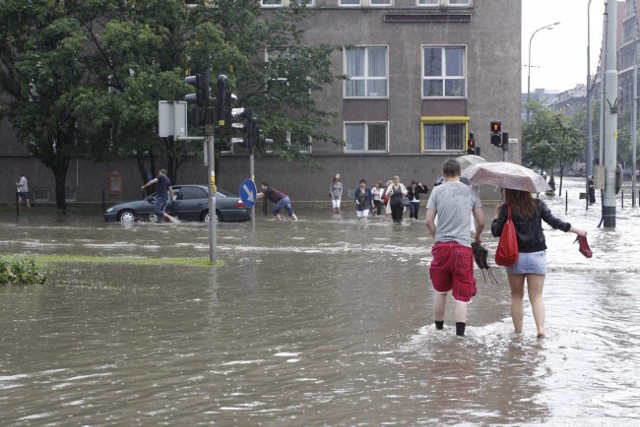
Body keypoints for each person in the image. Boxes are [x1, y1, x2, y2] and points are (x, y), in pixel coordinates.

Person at [491, 189, 587, 338]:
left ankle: (518, 332)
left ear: (509, 191)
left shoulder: (506, 208)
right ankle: (540, 329)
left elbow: (496, 232)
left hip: (515, 257)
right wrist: (577, 230)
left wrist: (497, 216)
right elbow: (555, 222)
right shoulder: (538, 205)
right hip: (537, 255)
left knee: (516, 296)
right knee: (537, 297)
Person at [425, 159, 484, 337]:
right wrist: (478, 236)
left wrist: (438, 238)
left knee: (440, 291)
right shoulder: (471, 193)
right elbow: (481, 221)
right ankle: (460, 337)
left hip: (441, 247)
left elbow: (428, 221)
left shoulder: (436, 191)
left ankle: (438, 331)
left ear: (444, 174)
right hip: (463, 248)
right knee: (461, 295)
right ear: (461, 173)